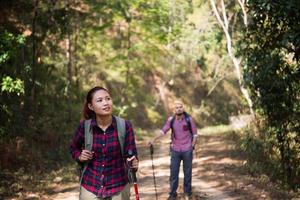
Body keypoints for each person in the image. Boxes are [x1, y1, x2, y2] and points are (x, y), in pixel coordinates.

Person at [70, 86, 139, 200]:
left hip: (119, 186)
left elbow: (131, 154)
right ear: (91, 106)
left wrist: (133, 161)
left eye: (108, 98)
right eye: (100, 100)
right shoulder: (85, 126)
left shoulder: (125, 126)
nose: (106, 103)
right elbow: (74, 148)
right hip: (90, 185)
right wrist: (80, 156)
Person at [149, 100, 197, 200]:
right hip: (175, 150)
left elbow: (195, 135)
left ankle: (187, 193)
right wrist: (153, 139)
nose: (179, 109)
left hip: (187, 149)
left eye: (180, 107)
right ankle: (172, 194)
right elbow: (163, 131)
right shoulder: (171, 120)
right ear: (174, 109)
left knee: (187, 173)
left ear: (183, 108)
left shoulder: (189, 119)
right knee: (173, 172)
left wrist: (192, 146)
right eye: (177, 107)